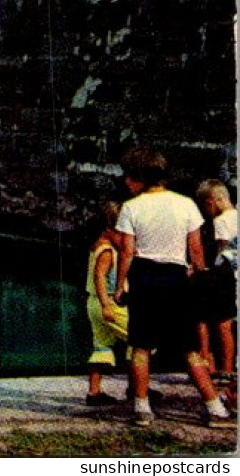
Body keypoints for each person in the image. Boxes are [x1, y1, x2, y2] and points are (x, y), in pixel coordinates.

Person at [113, 147, 233, 428]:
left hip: (145, 277)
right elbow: (196, 249)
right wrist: (199, 277)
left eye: (130, 177)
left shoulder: (131, 207)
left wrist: (120, 285)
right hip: (178, 278)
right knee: (190, 349)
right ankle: (215, 408)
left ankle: (142, 408)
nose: (127, 183)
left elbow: (127, 252)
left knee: (141, 347)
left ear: (140, 178)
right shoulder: (186, 204)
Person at [84, 201, 130, 406]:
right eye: (123, 234)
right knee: (141, 340)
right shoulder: (107, 251)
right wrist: (106, 305)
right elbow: (99, 277)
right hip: (108, 302)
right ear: (112, 229)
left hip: (93, 303)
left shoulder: (98, 245)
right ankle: (138, 386)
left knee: (101, 347)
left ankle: (94, 392)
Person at [195, 180, 237, 391]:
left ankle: (212, 364)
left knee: (216, 322)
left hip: (226, 276)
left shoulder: (221, 221)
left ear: (213, 201)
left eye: (206, 205)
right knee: (228, 324)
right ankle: (229, 369)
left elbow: (223, 253)